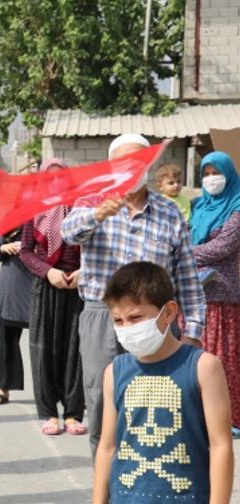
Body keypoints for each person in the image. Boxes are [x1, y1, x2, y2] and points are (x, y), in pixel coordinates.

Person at [61, 133, 206, 455]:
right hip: (103, 316)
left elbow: (186, 275)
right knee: (101, 398)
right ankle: (107, 482)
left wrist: (193, 331)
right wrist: (98, 214)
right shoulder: (91, 201)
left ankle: (151, 477)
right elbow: (68, 233)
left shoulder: (168, 213)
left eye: (139, 161)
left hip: (157, 319)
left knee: (157, 401)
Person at [93, 262, 233, 503]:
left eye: (136, 317)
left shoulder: (203, 367)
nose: (127, 328)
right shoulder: (114, 372)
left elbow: (221, 446)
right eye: (118, 320)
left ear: (168, 312)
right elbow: (107, 447)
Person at [18, 158, 86, 436]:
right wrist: (48, 272)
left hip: (77, 287)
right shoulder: (33, 208)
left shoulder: (84, 207)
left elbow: (96, 244)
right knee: (43, 349)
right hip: (46, 286)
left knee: (76, 349)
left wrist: (84, 271)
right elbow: (25, 251)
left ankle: (72, 413)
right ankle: (48, 412)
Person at [188, 151, 240, 437]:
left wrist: (182, 253)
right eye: (205, 174)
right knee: (196, 356)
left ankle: (228, 417)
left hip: (222, 295)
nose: (211, 179)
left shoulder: (237, 208)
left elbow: (222, 247)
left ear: (228, 174)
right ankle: (199, 416)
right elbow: (185, 236)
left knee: (221, 359)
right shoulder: (199, 207)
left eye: (215, 172)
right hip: (193, 294)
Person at [0, 228, 32, 406]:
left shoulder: (41, 221)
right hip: (10, 288)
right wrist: (5, 248)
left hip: (36, 285)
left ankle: (57, 391)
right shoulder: (9, 223)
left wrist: (29, 249)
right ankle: (4, 388)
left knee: (46, 344)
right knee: (6, 340)